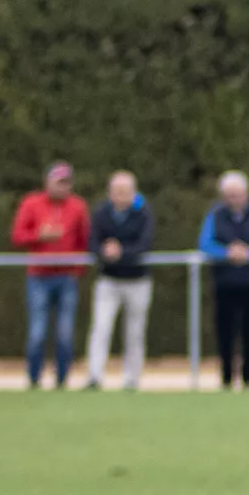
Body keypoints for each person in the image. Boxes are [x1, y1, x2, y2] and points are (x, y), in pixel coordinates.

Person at [10, 161, 90, 389]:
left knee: (65, 333)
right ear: (47, 182)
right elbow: (17, 236)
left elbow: (84, 240)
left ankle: (62, 381)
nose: (62, 187)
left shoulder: (78, 207)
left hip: (66, 278)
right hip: (38, 277)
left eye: (66, 183)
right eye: (58, 182)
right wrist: (39, 235)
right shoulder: (31, 203)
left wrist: (77, 270)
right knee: (38, 332)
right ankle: (34, 379)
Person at [197, 171, 249, 390]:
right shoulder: (215, 214)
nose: (234, 199)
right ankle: (226, 377)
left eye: (238, 194)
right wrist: (227, 253)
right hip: (224, 282)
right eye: (229, 195)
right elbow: (205, 244)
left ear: (246, 193)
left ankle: (248, 376)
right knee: (224, 331)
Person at [84, 170, 154, 391]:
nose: (121, 196)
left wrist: (121, 252)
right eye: (117, 191)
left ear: (133, 193)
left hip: (137, 280)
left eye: (125, 191)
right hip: (108, 280)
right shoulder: (101, 212)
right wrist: (104, 251)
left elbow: (144, 244)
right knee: (101, 328)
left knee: (134, 332)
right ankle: (94, 377)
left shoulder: (143, 212)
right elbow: (92, 242)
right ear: (110, 192)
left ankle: (132, 379)